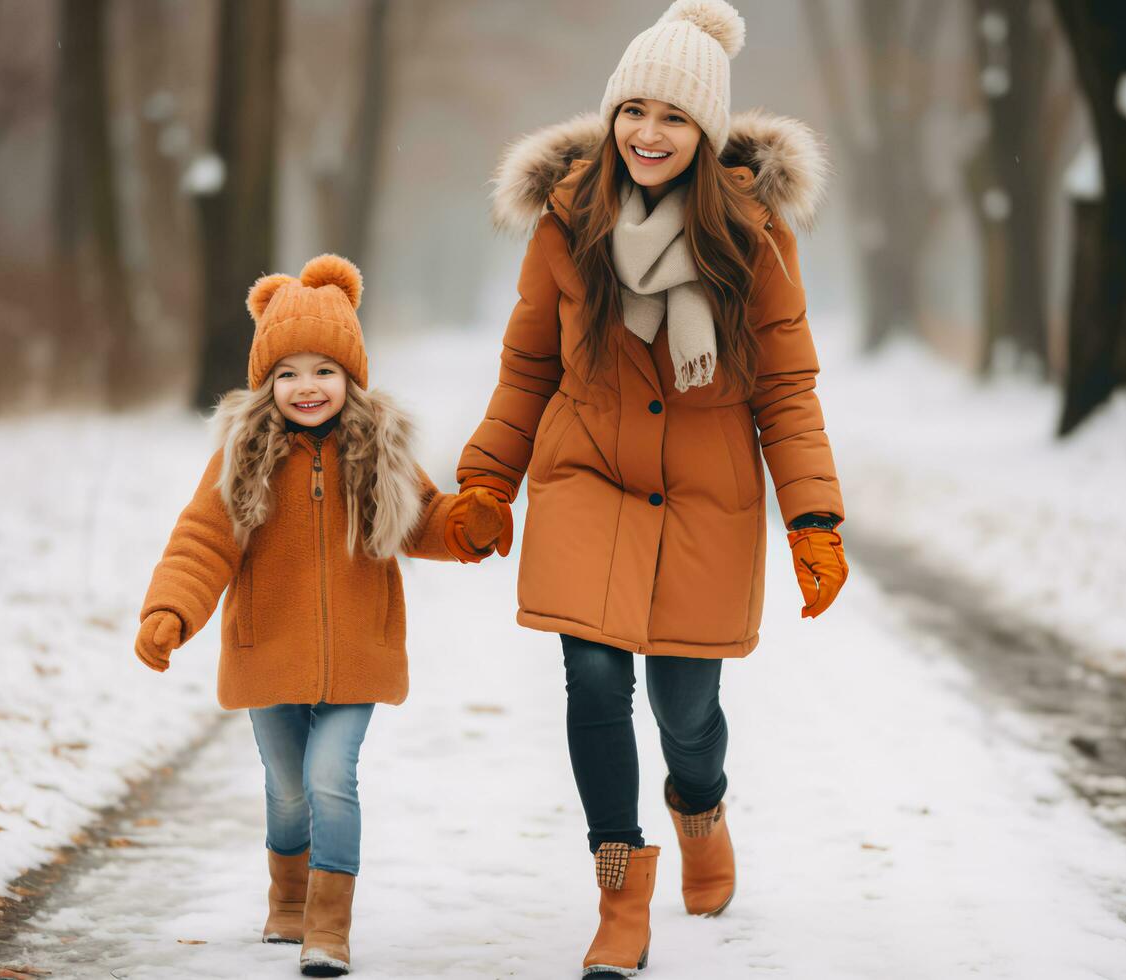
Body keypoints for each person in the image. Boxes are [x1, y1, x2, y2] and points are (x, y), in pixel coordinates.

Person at [457, 2, 849, 975]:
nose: (647, 132)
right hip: (587, 471)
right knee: (592, 678)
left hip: (707, 492)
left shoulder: (754, 238)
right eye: (632, 109)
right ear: (610, 115)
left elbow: (787, 390)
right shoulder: (568, 222)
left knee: (686, 707)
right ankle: (619, 890)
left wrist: (812, 515)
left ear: (705, 132)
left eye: (672, 116)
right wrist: (487, 482)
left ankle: (701, 800)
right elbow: (525, 369)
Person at [134, 254, 509, 977]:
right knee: (289, 787)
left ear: (352, 376)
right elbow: (202, 541)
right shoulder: (242, 457)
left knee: (332, 777)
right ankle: (289, 898)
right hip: (266, 652)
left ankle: (329, 928)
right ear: (266, 383)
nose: (307, 387)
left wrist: (469, 526)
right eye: (288, 373)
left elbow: (424, 519)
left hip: (357, 656)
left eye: (324, 371)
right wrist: (171, 612)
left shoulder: (378, 452)